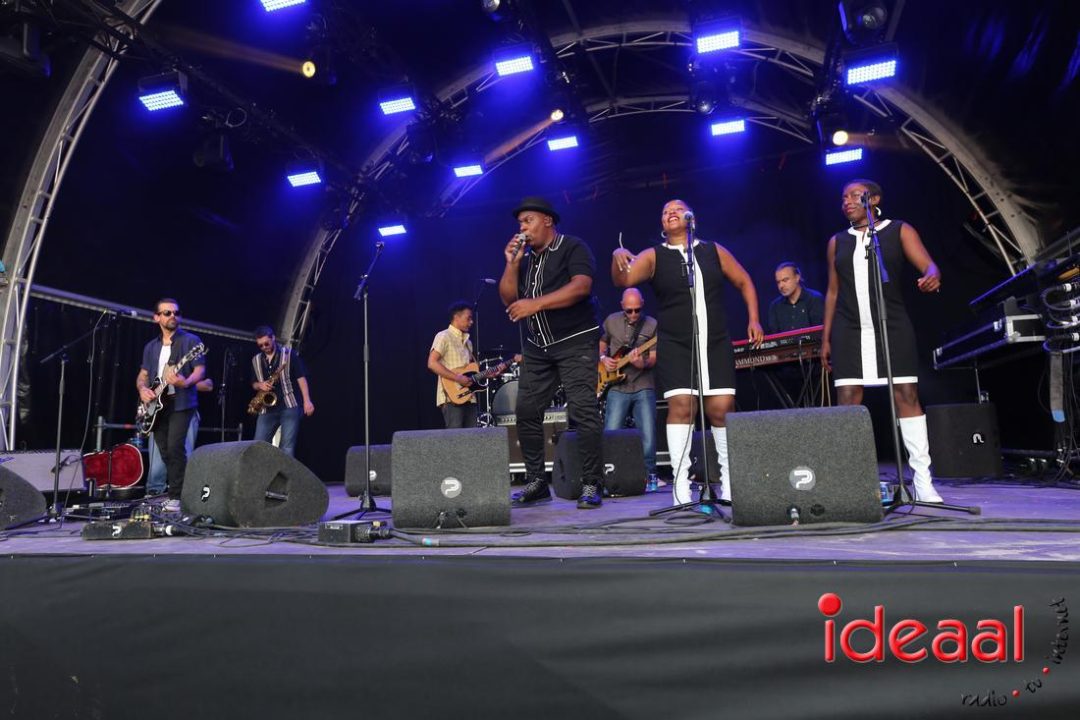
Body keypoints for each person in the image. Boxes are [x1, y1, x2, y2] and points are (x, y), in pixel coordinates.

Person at [612, 199, 763, 506]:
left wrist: (754, 318)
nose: (670, 213)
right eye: (665, 211)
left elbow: (744, 280)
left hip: (715, 340)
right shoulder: (654, 256)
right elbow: (622, 279)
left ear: (692, 217)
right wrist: (617, 256)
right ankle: (681, 488)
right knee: (682, 406)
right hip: (676, 343)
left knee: (721, 408)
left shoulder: (713, 250)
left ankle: (730, 484)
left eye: (677, 209)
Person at [821, 179, 944, 502]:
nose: (846, 202)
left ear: (873, 199)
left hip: (892, 324)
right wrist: (825, 337)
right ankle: (853, 482)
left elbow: (929, 265)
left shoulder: (898, 230)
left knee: (906, 394)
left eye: (853, 195)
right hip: (849, 327)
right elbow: (832, 292)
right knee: (848, 398)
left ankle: (923, 481)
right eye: (843, 197)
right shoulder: (837, 241)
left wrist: (932, 276)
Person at [499, 196, 604, 509]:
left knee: (582, 411)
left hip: (576, 341)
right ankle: (536, 482)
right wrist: (511, 263)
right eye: (520, 223)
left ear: (547, 220)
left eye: (528, 220)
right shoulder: (526, 260)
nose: (522, 228)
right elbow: (508, 299)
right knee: (526, 411)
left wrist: (536, 303)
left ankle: (591, 483)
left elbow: (581, 286)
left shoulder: (572, 247)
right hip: (538, 347)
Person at [136, 298, 206, 508]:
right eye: (167, 313)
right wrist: (143, 390)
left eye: (176, 312)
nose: (173, 316)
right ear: (156, 317)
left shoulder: (191, 341)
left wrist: (186, 382)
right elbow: (143, 375)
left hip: (181, 402)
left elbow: (200, 370)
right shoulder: (151, 347)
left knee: (176, 447)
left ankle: (177, 496)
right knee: (165, 450)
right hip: (157, 406)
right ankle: (180, 489)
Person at [599, 288, 659, 489]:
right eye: (629, 310)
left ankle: (650, 477)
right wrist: (603, 358)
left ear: (643, 304)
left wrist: (642, 363)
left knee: (648, 436)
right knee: (611, 433)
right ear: (622, 306)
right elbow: (601, 343)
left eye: (637, 310)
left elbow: (653, 358)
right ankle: (610, 475)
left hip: (643, 384)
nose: (633, 314)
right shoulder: (611, 320)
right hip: (617, 386)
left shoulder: (652, 325)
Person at [250, 325, 314, 457]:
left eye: (266, 343)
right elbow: (253, 383)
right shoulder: (256, 360)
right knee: (258, 445)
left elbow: (301, 378)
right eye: (260, 345)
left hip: (289, 406)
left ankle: (284, 471)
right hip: (266, 409)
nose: (264, 347)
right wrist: (260, 385)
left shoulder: (288, 354)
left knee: (287, 447)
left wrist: (307, 401)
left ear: (273, 338)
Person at [146, 377, 213, 496]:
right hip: (159, 412)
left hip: (185, 409)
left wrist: (183, 384)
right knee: (157, 456)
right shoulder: (159, 365)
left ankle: (181, 493)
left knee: (182, 454)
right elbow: (144, 376)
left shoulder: (192, 365)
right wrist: (145, 391)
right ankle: (154, 492)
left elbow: (208, 385)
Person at [427, 300, 478, 429]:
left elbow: (470, 371)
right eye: (468, 318)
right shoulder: (443, 336)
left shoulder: (468, 342)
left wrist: (490, 373)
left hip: (469, 397)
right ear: (456, 317)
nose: (471, 322)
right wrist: (457, 378)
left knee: (473, 438)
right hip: (451, 398)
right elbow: (432, 363)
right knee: (455, 438)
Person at [768, 261, 825, 333]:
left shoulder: (814, 299)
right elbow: (775, 335)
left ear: (797, 277)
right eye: (778, 282)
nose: (781, 286)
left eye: (785, 280)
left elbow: (820, 332)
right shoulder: (775, 307)